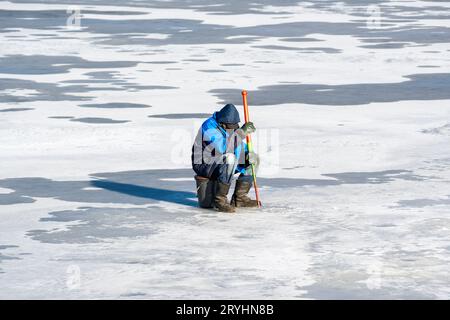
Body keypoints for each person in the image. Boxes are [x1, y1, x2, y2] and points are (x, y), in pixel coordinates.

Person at [192, 104, 259, 212]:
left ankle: (240, 198)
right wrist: (242, 133)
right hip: (205, 163)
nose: (232, 130)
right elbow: (223, 147)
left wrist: (247, 154)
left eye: (234, 127)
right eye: (230, 127)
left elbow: (237, 145)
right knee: (230, 158)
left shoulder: (230, 127)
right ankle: (220, 200)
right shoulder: (208, 127)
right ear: (222, 124)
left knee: (254, 159)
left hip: (224, 160)